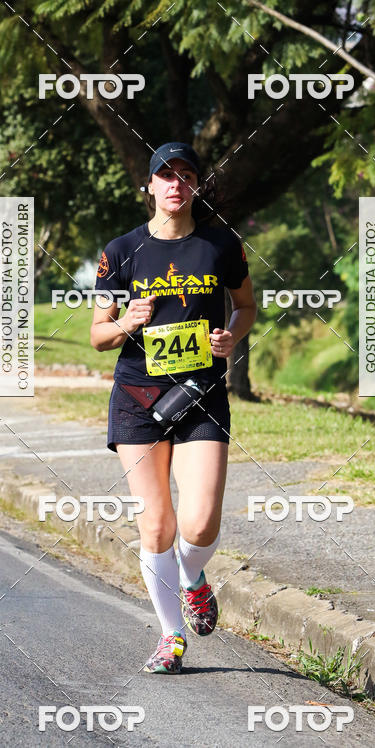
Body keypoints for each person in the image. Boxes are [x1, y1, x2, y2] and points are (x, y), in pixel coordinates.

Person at [90, 142, 257, 673]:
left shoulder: (220, 245)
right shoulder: (121, 251)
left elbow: (247, 305)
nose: (176, 185)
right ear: (150, 187)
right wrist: (125, 323)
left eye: (186, 175)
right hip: (139, 397)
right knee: (157, 526)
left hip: (201, 394)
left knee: (201, 521)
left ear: (196, 186)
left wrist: (231, 336)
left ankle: (192, 579)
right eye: (166, 176)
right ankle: (170, 636)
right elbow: (97, 335)